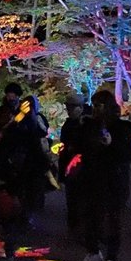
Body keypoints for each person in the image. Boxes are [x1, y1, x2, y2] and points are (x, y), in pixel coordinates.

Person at [0, 94, 48, 261]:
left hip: (6, 183)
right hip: (18, 184)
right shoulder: (26, 131)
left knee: (11, 225)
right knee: (15, 224)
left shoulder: (13, 130)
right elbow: (39, 158)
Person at [76, 90, 131, 261]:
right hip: (92, 178)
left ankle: (112, 258)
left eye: (99, 105)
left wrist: (111, 144)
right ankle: (93, 251)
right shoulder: (89, 125)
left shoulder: (121, 128)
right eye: (94, 105)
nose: (95, 109)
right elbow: (82, 148)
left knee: (112, 219)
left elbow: (127, 155)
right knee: (90, 216)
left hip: (113, 180)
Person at [59, 94, 88, 231]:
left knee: (80, 196)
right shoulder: (70, 123)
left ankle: (79, 224)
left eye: (71, 107)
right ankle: (74, 224)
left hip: (81, 165)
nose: (69, 110)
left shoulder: (85, 123)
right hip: (70, 164)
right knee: (72, 197)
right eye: (68, 107)